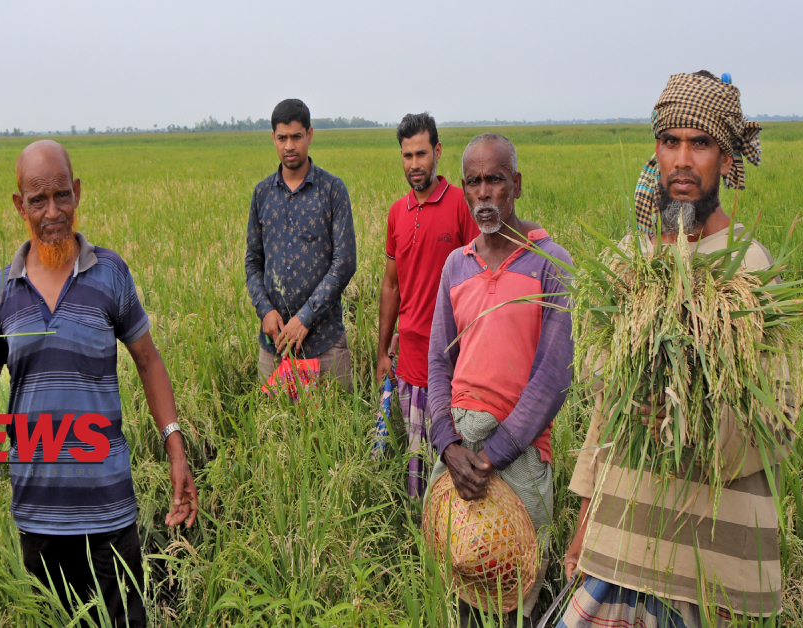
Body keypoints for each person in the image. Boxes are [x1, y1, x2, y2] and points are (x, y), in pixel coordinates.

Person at [560, 71, 788, 628]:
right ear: (655, 154)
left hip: (707, 558)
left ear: (727, 161)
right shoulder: (627, 262)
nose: (683, 159)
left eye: (701, 143)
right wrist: (585, 518)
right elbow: (605, 408)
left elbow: (778, 415)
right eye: (671, 142)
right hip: (619, 545)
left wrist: (693, 418)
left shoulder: (750, 270)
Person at [0, 140, 199, 628]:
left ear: (78, 192)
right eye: (37, 200)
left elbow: (148, 360)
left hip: (109, 508)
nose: (53, 212)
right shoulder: (1, 291)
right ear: (18, 206)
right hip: (37, 512)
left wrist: (175, 446)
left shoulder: (108, 273)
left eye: (62, 195)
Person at [427, 133, 575, 626]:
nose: (484, 193)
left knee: (516, 593)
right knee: (459, 580)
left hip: (519, 450)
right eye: (474, 182)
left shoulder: (551, 263)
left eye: (495, 180)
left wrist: (491, 456)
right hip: (458, 448)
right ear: (464, 188)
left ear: (516, 184)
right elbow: (438, 366)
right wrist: (448, 446)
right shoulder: (456, 266)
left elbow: (554, 376)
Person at [377, 112, 478, 497]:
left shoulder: (459, 205)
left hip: (452, 361)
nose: (415, 164)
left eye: (421, 154)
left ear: (437, 152)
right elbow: (391, 286)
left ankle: (450, 536)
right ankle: (419, 537)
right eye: (407, 156)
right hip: (409, 358)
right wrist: (383, 350)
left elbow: (478, 279)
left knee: (452, 458)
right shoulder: (396, 213)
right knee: (413, 461)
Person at [245, 98, 357, 390]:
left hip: (325, 344)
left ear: (309, 135)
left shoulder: (332, 190)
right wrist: (264, 309)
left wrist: (305, 318)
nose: (289, 146)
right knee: (276, 430)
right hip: (275, 345)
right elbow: (253, 261)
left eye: (296, 136)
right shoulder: (262, 195)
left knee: (337, 427)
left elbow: (344, 263)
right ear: (273, 138)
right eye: (281, 138)